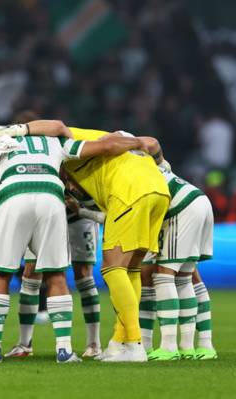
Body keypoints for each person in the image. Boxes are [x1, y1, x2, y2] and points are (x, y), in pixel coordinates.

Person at [0, 120, 148, 363]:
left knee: (0, 275)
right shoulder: (55, 141)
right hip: (51, 197)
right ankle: (64, 350)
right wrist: (138, 142)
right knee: (56, 275)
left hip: (12, 195)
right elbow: (106, 147)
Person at [63, 128, 170, 362]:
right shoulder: (115, 145)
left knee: (112, 268)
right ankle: (119, 342)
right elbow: (151, 140)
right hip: (159, 190)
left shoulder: (66, 143)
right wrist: (163, 163)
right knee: (130, 268)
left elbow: (60, 128)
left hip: (130, 191)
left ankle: (134, 343)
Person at [136, 137, 216, 361]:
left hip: (180, 209)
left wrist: (85, 212)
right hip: (198, 200)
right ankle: (198, 345)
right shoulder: (158, 165)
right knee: (187, 276)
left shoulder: (129, 172)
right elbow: (153, 145)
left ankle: (170, 346)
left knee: (164, 275)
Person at [6, 188, 103, 359]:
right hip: (43, 218)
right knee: (30, 274)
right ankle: (24, 343)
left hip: (78, 219)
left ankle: (94, 343)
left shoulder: (78, 162)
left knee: (84, 276)